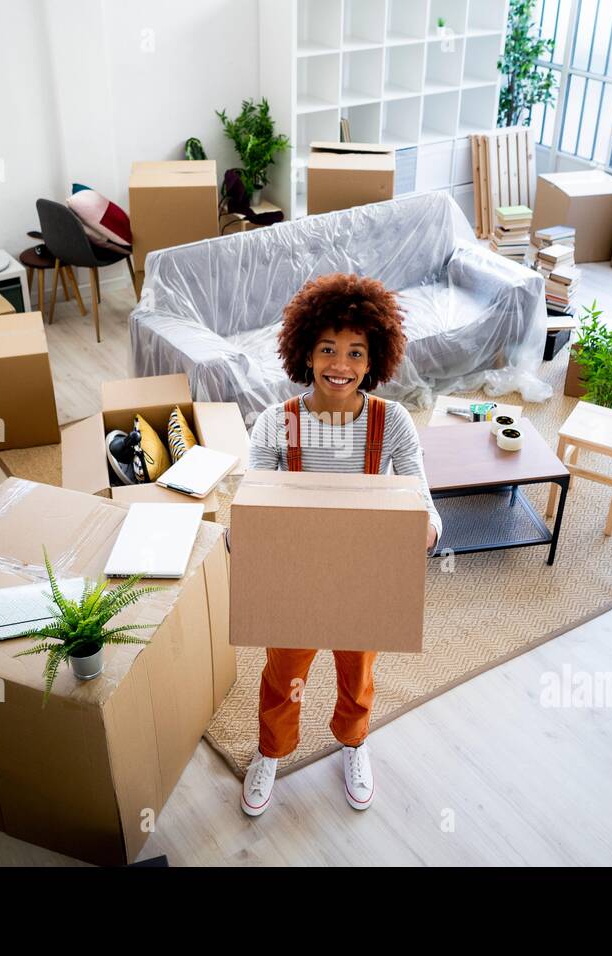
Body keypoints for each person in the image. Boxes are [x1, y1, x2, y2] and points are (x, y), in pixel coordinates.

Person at [241, 273, 442, 817]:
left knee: (358, 674)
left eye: (356, 352)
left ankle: (353, 743)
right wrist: (246, 536)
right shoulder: (273, 424)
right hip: (294, 580)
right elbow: (249, 502)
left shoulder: (392, 421)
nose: (340, 364)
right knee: (285, 676)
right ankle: (271, 751)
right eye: (328, 348)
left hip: (363, 579)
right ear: (305, 350)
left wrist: (425, 527)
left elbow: (423, 499)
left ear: (373, 358)